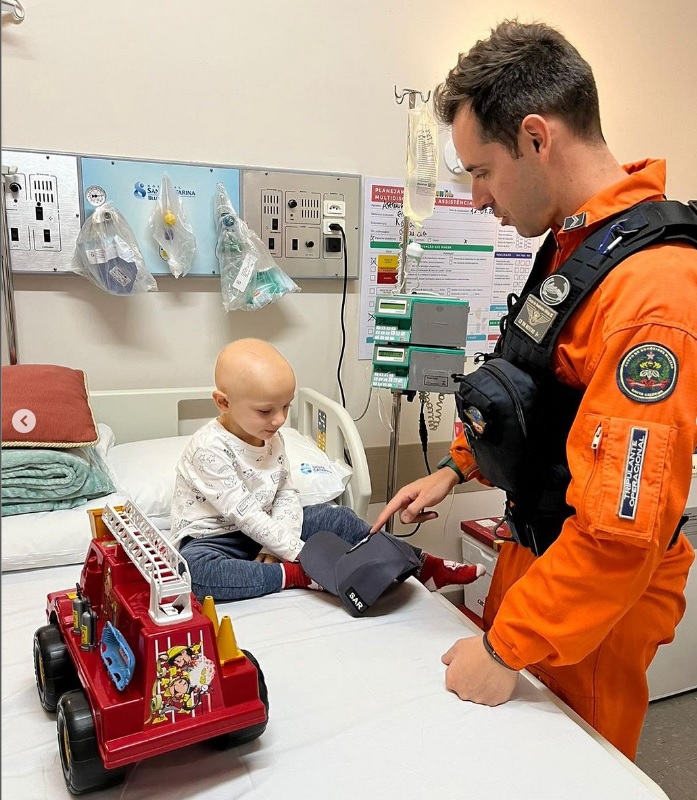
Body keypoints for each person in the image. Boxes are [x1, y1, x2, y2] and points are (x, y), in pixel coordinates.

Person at [371, 19, 696, 760]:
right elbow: (539, 390)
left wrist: (508, 648)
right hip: (542, 567)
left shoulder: (652, 292)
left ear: (536, 137)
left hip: (594, 606)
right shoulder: (576, 244)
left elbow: (620, 535)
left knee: (567, 770)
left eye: (480, 171)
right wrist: (456, 467)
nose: (478, 198)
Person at [170, 338, 485, 603]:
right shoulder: (208, 450)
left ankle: (421, 564)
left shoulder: (271, 436)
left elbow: (285, 493)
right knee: (194, 571)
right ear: (223, 403)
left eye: (286, 407)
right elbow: (244, 514)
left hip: (270, 528)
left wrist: (275, 543)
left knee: (337, 518)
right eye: (266, 410)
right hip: (216, 537)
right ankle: (298, 577)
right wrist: (303, 558)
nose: (279, 420)